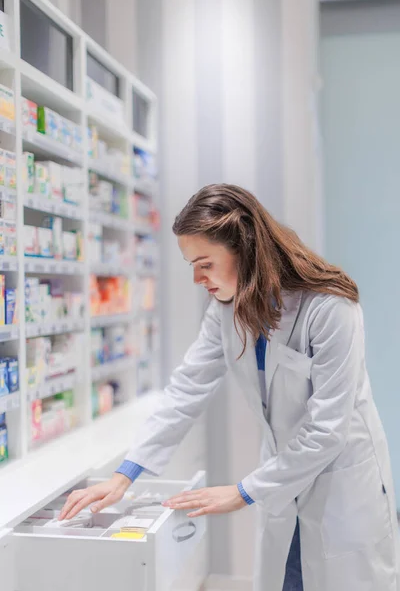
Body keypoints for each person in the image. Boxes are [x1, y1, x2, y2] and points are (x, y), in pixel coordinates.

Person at [59, 184, 400, 591]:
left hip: (341, 486)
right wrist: (124, 475)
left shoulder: (329, 309)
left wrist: (242, 491)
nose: (197, 278)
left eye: (204, 263)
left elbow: (327, 430)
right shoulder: (227, 310)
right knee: (288, 579)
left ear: (246, 249)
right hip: (282, 483)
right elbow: (187, 388)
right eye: (191, 265)